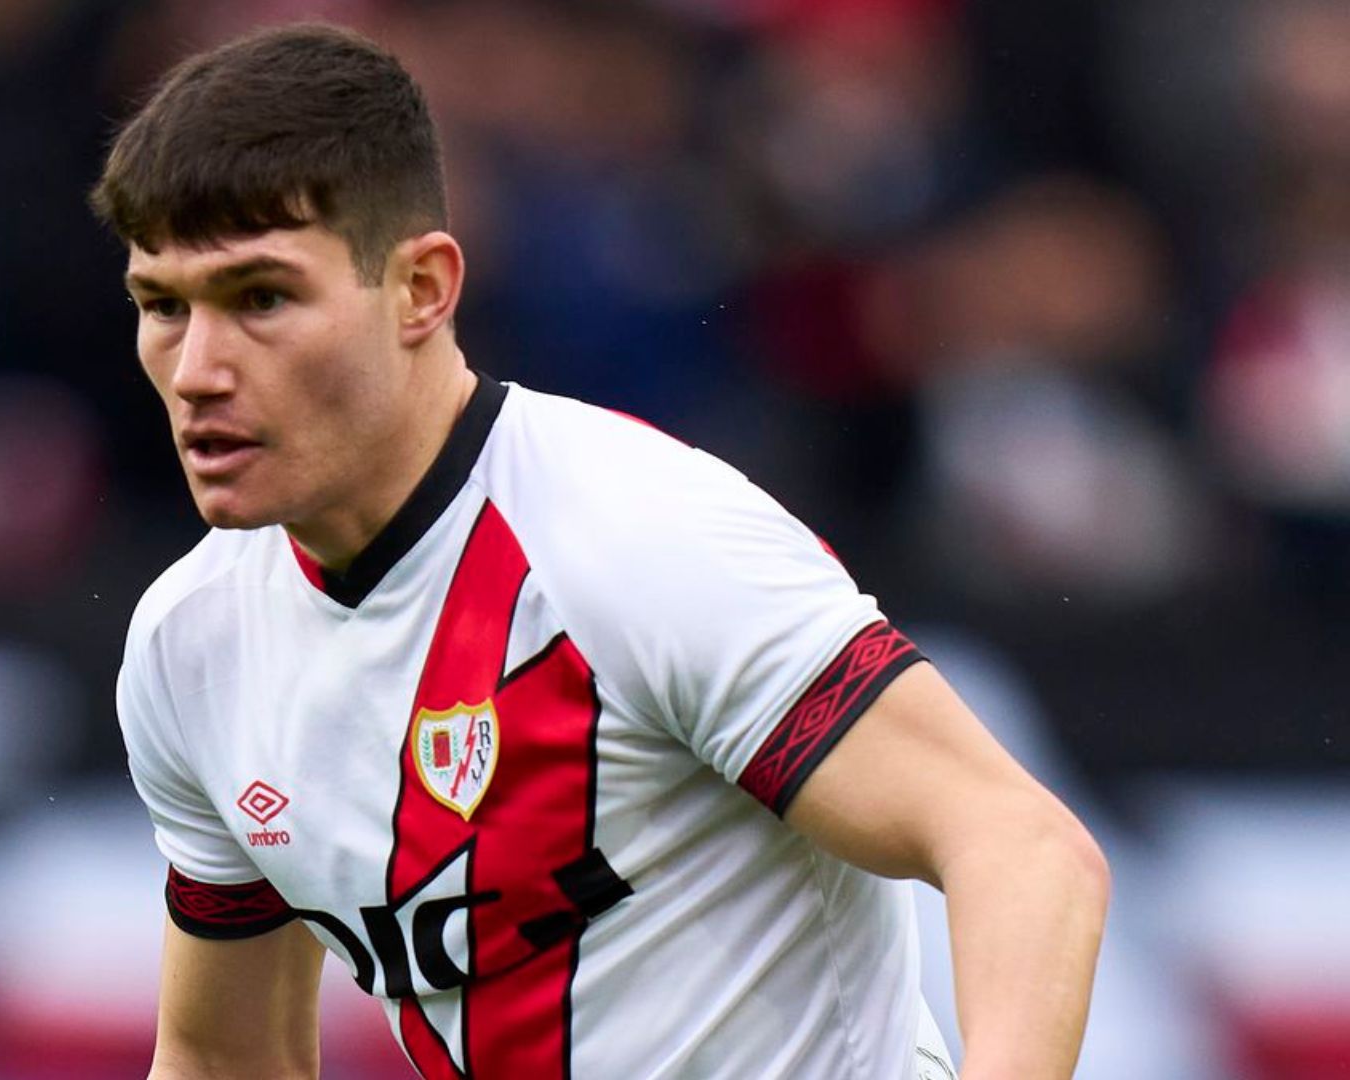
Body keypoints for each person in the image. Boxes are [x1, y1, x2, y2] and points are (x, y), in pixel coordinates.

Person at [90, 23, 1107, 1080]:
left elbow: (1021, 848)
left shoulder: (642, 538)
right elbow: (223, 1058)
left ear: (422, 290)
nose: (196, 369)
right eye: (162, 307)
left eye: (261, 298)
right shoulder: (191, 643)